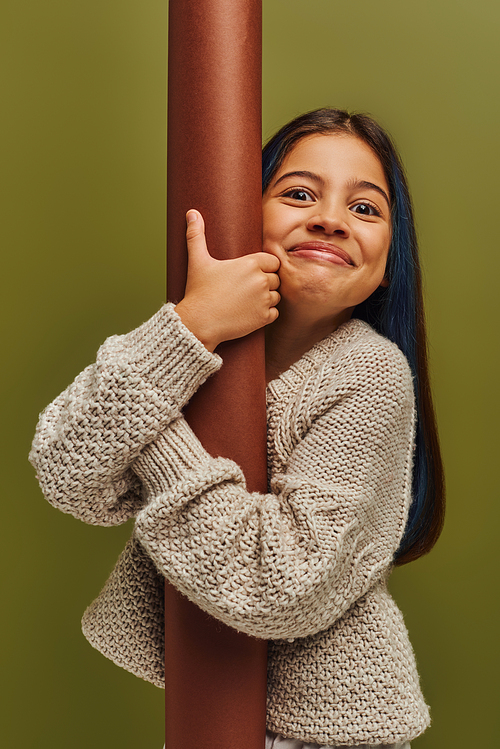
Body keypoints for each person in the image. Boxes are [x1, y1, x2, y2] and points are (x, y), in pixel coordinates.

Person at [29, 108, 444, 749]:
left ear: (389, 262)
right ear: (244, 214)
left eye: (366, 209)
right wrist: (190, 329)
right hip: (212, 707)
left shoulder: (371, 375)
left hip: (329, 733)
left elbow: (278, 586)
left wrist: (160, 424)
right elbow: (65, 470)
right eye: (299, 193)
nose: (330, 218)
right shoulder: (194, 341)